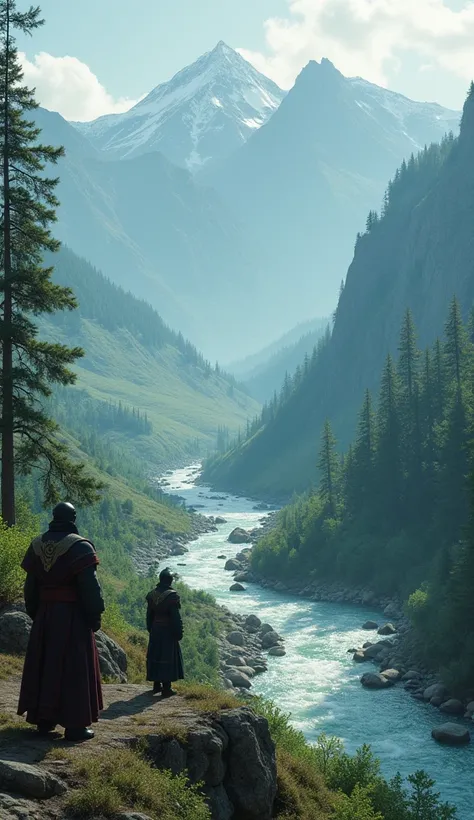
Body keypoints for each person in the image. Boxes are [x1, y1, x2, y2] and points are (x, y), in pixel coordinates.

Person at [17, 502, 104, 742]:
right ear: (73, 518)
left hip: (45, 614)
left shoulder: (37, 544)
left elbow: (30, 588)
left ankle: (44, 720)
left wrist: (37, 614)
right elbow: (90, 588)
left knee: (46, 666)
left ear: (54, 517)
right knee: (73, 669)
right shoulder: (80, 547)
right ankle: (75, 726)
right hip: (72, 617)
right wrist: (94, 615)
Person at [146, 567, 184, 697]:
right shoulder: (172, 596)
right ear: (170, 580)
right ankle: (166, 688)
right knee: (167, 656)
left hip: (156, 629)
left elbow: (149, 615)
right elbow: (175, 617)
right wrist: (179, 631)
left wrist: (150, 628)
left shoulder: (152, 594)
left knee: (156, 654)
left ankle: (156, 685)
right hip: (167, 631)